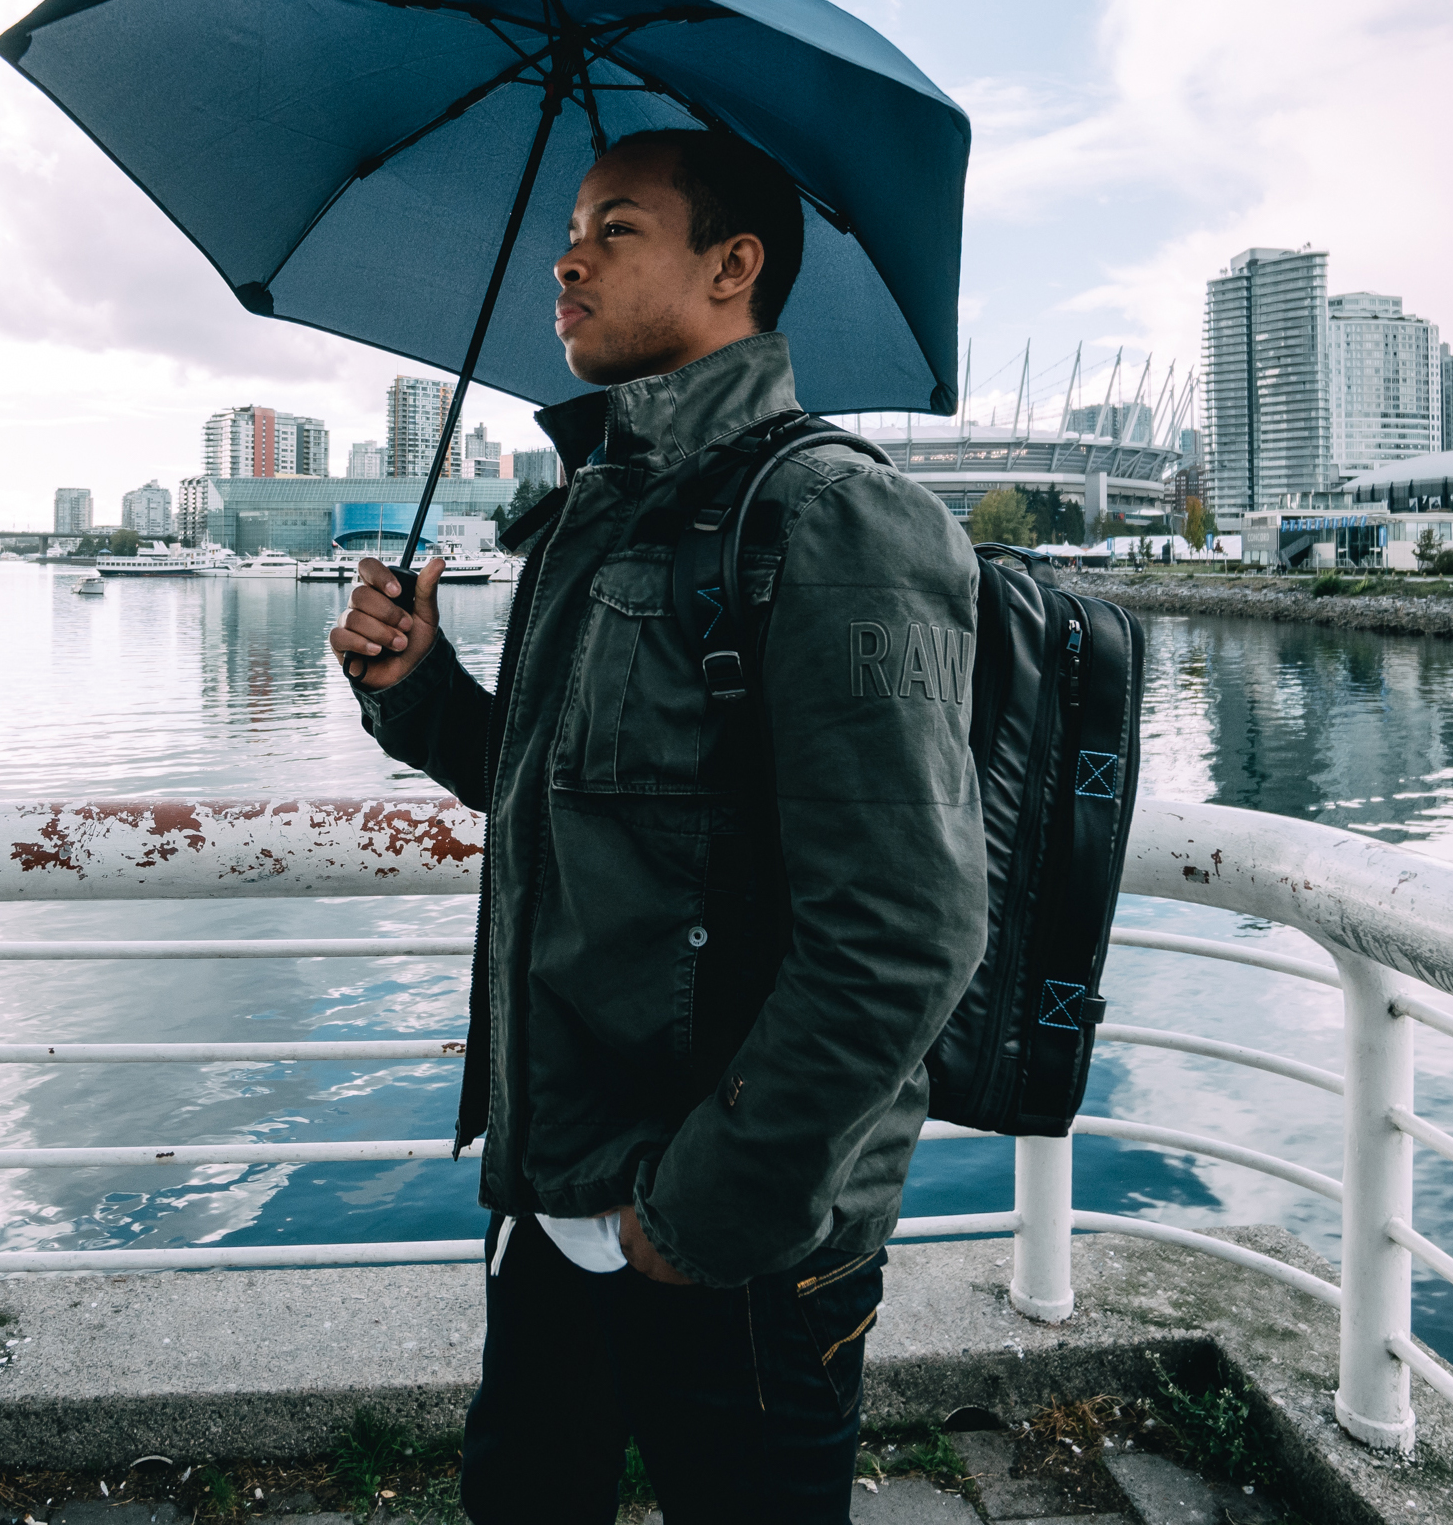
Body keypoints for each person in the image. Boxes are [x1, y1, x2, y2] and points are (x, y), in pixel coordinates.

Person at [329, 129, 987, 1523]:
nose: (566, 258)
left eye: (616, 229)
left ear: (733, 266)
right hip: (552, 1182)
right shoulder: (595, 516)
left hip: (732, 1238)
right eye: (570, 225)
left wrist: (695, 1218)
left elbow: (910, 927)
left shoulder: (835, 521)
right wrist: (421, 692)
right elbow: (567, 793)